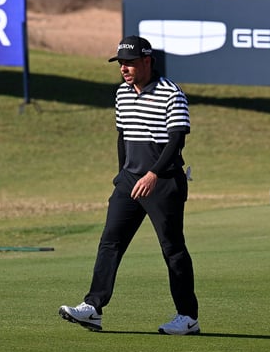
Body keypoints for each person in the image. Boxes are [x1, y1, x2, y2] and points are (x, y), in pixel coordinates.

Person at [59, 35, 199, 335]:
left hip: (163, 183)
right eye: (121, 63)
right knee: (110, 241)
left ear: (147, 62)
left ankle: (188, 317)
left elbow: (176, 141)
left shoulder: (172, 94)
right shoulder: (122, 93)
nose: (124, 69)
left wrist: (153, 175)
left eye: (130, 63)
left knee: (172, 249)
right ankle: (93, 307)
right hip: (129, 181)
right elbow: (123, 135)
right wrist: (123, 173)